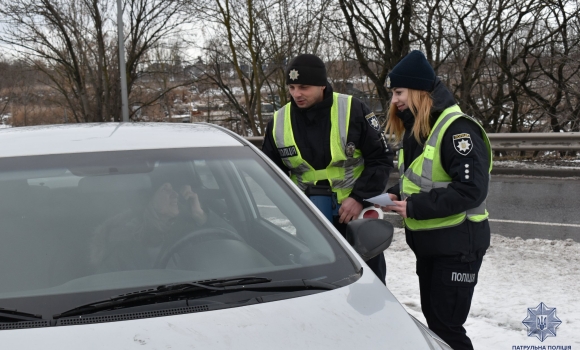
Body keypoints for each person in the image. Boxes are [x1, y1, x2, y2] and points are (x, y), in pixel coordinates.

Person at [381, 50, 492, 350]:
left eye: (399, 92)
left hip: (458, 247)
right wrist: (394, 193)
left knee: (447, 329)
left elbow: (471, 190)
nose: (394, 100)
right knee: (436, 326)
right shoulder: (416, 129)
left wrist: (415, 207)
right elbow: (421, 179)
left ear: (419, 91)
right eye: (393, 93)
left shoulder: (457, 130)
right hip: (431, 244)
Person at [262, 53, 395, 284]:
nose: (296, 94)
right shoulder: (278, 121)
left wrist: (359, 198)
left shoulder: (354, 109)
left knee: (368, 284)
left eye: (303, 87)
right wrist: (293, 211)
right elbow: (269, 175)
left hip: (356, 219)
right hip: (309, 223)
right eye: (292, 87)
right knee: (319, 286)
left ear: (322, 84)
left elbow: (381, 159)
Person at [90, 181, 211, 272]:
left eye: (174, 190)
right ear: (148, 199)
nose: (175, 194)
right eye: (166, 189)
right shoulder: (122, 237)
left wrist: (199, 215)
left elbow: (223, 244)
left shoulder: (188, 225)